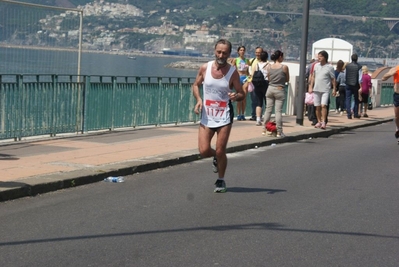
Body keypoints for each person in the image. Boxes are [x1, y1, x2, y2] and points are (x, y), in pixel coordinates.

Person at [192, 39, 245, 193]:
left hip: (224, 115)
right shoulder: (205, 67)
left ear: (229, 54)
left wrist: (236, 96)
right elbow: (196, 85)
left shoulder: (232, 72)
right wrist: (199, 100)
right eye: (219, 52)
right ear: (214, 51)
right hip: (207, 114)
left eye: (225, 53)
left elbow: (241, 93)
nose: (221, 55)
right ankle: (217, 158)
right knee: (203, 151)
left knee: (221, 149)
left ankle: (221, 180)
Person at [262, 50, 289, 137]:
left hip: (270, 89)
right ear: (280, 57)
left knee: (268, 110)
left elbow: (269, 79)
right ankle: (279, 131)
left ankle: (264, 129)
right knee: (278, 111)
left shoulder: (269, 67)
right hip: (279, 89)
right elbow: (287, 79)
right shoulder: (284, 67)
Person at [308, 50, 336, 130]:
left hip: (325, 89)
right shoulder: (316, 65)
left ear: (325, 57)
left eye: (321, 56)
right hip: (316, 88)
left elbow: (333, 78)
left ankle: (324, 121)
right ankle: (319, 121)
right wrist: (311, 86)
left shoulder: (329, 67)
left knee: (323, 105)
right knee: (317, 106)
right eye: (318, 56)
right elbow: (313, 76)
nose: (319, 58)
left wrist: (334, 89)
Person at [381, 65, 399, 139]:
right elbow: (383, 78)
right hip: (397, 95)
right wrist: (390, 74)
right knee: (397, 116)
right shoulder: (395, 69)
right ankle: (398, 128)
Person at [253, 51, 269, 126]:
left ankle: (258, 119)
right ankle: (266, 119)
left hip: (257, 84)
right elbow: (270, 76)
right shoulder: (268, 65)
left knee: (259, 102)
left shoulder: (257, 65)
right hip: (265, 84)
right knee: (267, 103)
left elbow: (253, 74)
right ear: (266, 57)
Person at [234, 45, 250, 121]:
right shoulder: (236, 60)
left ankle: (243, 114)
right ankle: (238, 114)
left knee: (244, 97)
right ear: (238, 51)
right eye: (241, 50)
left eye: (243, 50)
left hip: (245, 78)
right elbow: (233, 70)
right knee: (239, 97)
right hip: (238, 77)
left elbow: (248, 71)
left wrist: (249, 78)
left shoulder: (247, 60)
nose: (242, 51)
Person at [248, 47, 264, 121]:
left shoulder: (264, 62)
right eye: (256, 52)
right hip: (252, 82)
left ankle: (259, 115)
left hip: (261, 83)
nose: (258, 54)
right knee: (253, 100)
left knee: (260, 100)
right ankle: (253, 115)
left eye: (259, 52)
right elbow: (244, 65)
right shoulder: (252, 60)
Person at [345, 53, 362, 119]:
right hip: (355, 84)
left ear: (351, 58)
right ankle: (355, 113)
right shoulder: (359, 66)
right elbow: (360, 78)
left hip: (348, 83)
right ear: (357, 59)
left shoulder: (347, 66)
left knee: (348, 99)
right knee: (356, 99)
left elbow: (345, 75)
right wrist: (360, 86)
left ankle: (349, 114)